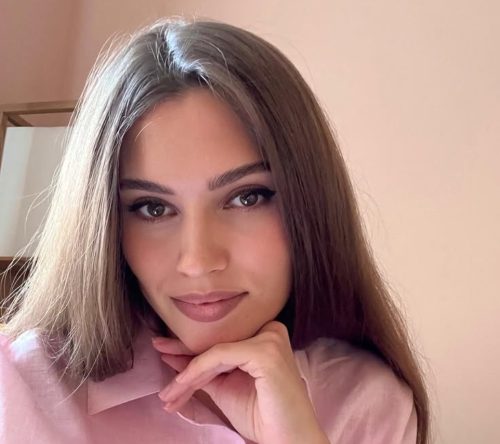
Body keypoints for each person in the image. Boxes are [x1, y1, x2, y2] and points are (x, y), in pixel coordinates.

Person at [0, 18, 430, 444]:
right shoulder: (16, 389)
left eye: (247, 198)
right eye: (153, 208)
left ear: (309, 203)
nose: (198, 262)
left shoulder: (367, 403)